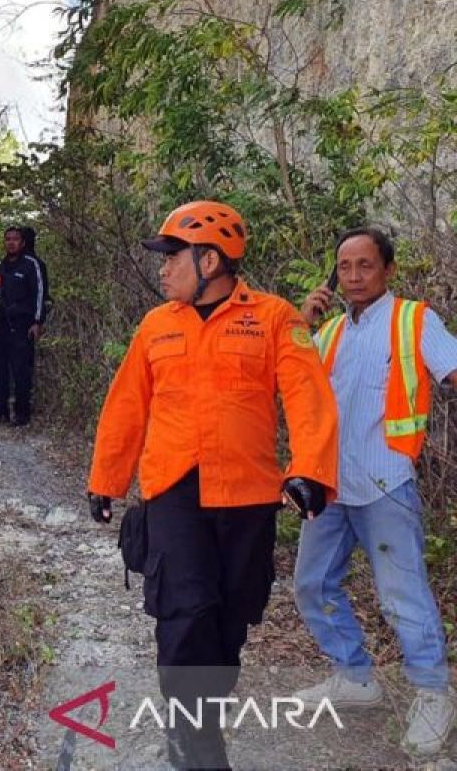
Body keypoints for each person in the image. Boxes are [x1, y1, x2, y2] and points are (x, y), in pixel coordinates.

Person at [86, 201, 339, 770]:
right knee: (186, 611)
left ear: (210, 260)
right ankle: (192, 744)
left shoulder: (274, 318)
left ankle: (204, 718)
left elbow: (307, 396)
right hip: (173, 490)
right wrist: (106, 479)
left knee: (231, 615)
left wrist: (310, 471)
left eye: (171, 257)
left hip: (248, 493)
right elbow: (127, 405)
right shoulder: (157, 325)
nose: (162, 268)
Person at [292, 226, 457, 755]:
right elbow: (294, 391)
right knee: (312, 584)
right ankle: (356, 676)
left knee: (401, 596)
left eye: (365, 265)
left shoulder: (414, 320)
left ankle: (433, 694)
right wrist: (302, 325)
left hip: (386, 483)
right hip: (331, 487)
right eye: (345, 267)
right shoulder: (331, 332)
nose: (355, 276)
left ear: (386, 269)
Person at [0, 226, 45, 426]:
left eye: (15, 239)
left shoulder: (31, 265)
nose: (11, 242)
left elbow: (40, 294)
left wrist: (37, 321)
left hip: (22, 326)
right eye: (7, 239)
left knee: (21, 370)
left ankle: (22, 414)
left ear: (22, 242)